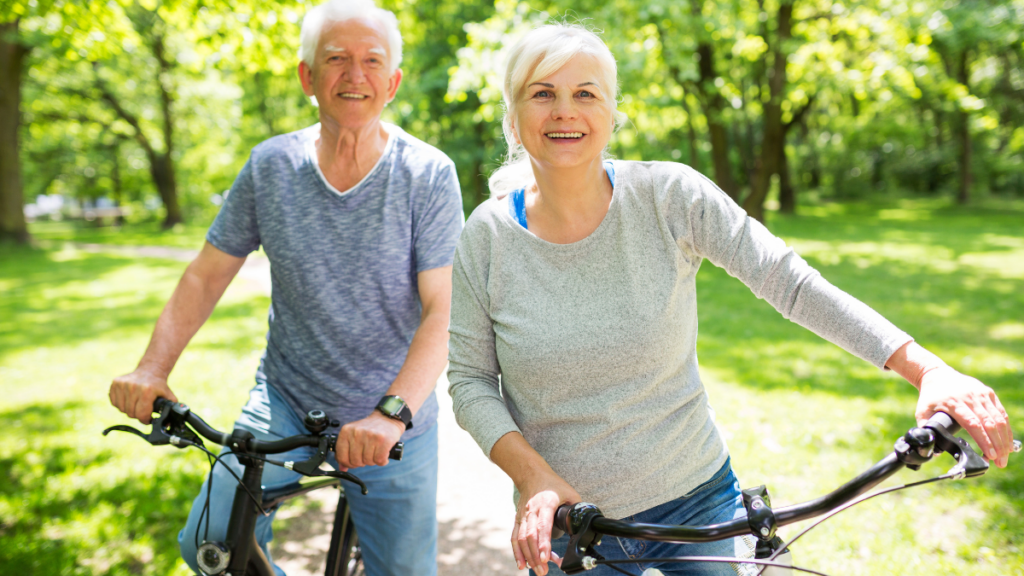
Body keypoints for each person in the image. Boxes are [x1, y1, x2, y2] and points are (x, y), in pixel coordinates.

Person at [446, 24, 1014, 576]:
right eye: (542, 94)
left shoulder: (669, 196)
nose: (564, 110)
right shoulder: (487, 237)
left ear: (612, 114)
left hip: (702, 499)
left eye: (585, 93)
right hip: (573, 524)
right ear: (513, 120)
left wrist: (928, 370)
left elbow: (788, 281)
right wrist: (534, 477)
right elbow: (470, 380)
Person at [107, 1, 464, 574]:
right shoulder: (271, 166)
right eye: (336, 59)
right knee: (210, 544)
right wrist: (152, 368)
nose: (355, 75)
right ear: (307, 77)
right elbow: (205, 275)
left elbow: (444, 309)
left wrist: (391, 414)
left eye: (372, 61)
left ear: (393, 82)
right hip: (286, 404)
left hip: (394, 416)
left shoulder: (427, 174)